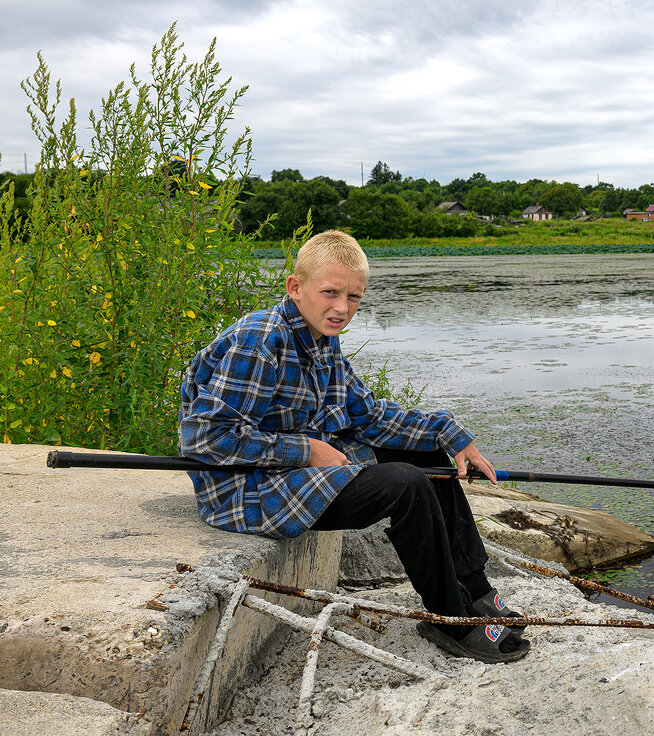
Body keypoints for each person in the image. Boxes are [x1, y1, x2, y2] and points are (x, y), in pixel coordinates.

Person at [178, 229, 528, 663]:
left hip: (291, 472)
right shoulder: (260, 341)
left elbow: (368, 416)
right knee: (405, 484)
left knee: (425, 455)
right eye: (330, 292)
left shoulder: (322, 338)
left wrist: (450, 433)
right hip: (246, 489)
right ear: (295, 287)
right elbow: (206, 438)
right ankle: (447, 618)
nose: (342, 308)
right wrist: (307, 450)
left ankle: (474, 588)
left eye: (354, 297)